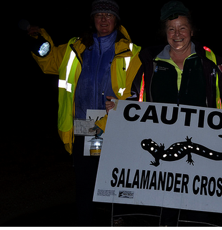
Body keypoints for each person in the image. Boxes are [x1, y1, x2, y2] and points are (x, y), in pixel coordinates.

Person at [106, 0, 222, 226]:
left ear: (191, 30)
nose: (177, 33)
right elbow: (136, 97)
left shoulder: (209, 61)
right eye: (171, 28)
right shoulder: (150, 62)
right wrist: (119, 108)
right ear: (165, 33)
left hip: (201, 146)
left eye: (182, 27)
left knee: (200, 213)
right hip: (164, 143)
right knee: (166, 211)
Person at [28, 0, 142, 225]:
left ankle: (118, 221)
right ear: (93, 19)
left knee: (117, 181)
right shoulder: (75, 47)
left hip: (117, 126)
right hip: (88, 125)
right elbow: (49, 62)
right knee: (86, 182)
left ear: (116, 21)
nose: (103, 20)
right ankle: (85, 223)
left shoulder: (132, 52)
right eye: (99, 15)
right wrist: (38, 41)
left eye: (108, 15)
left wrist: (125, 103)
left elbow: (140, 91)